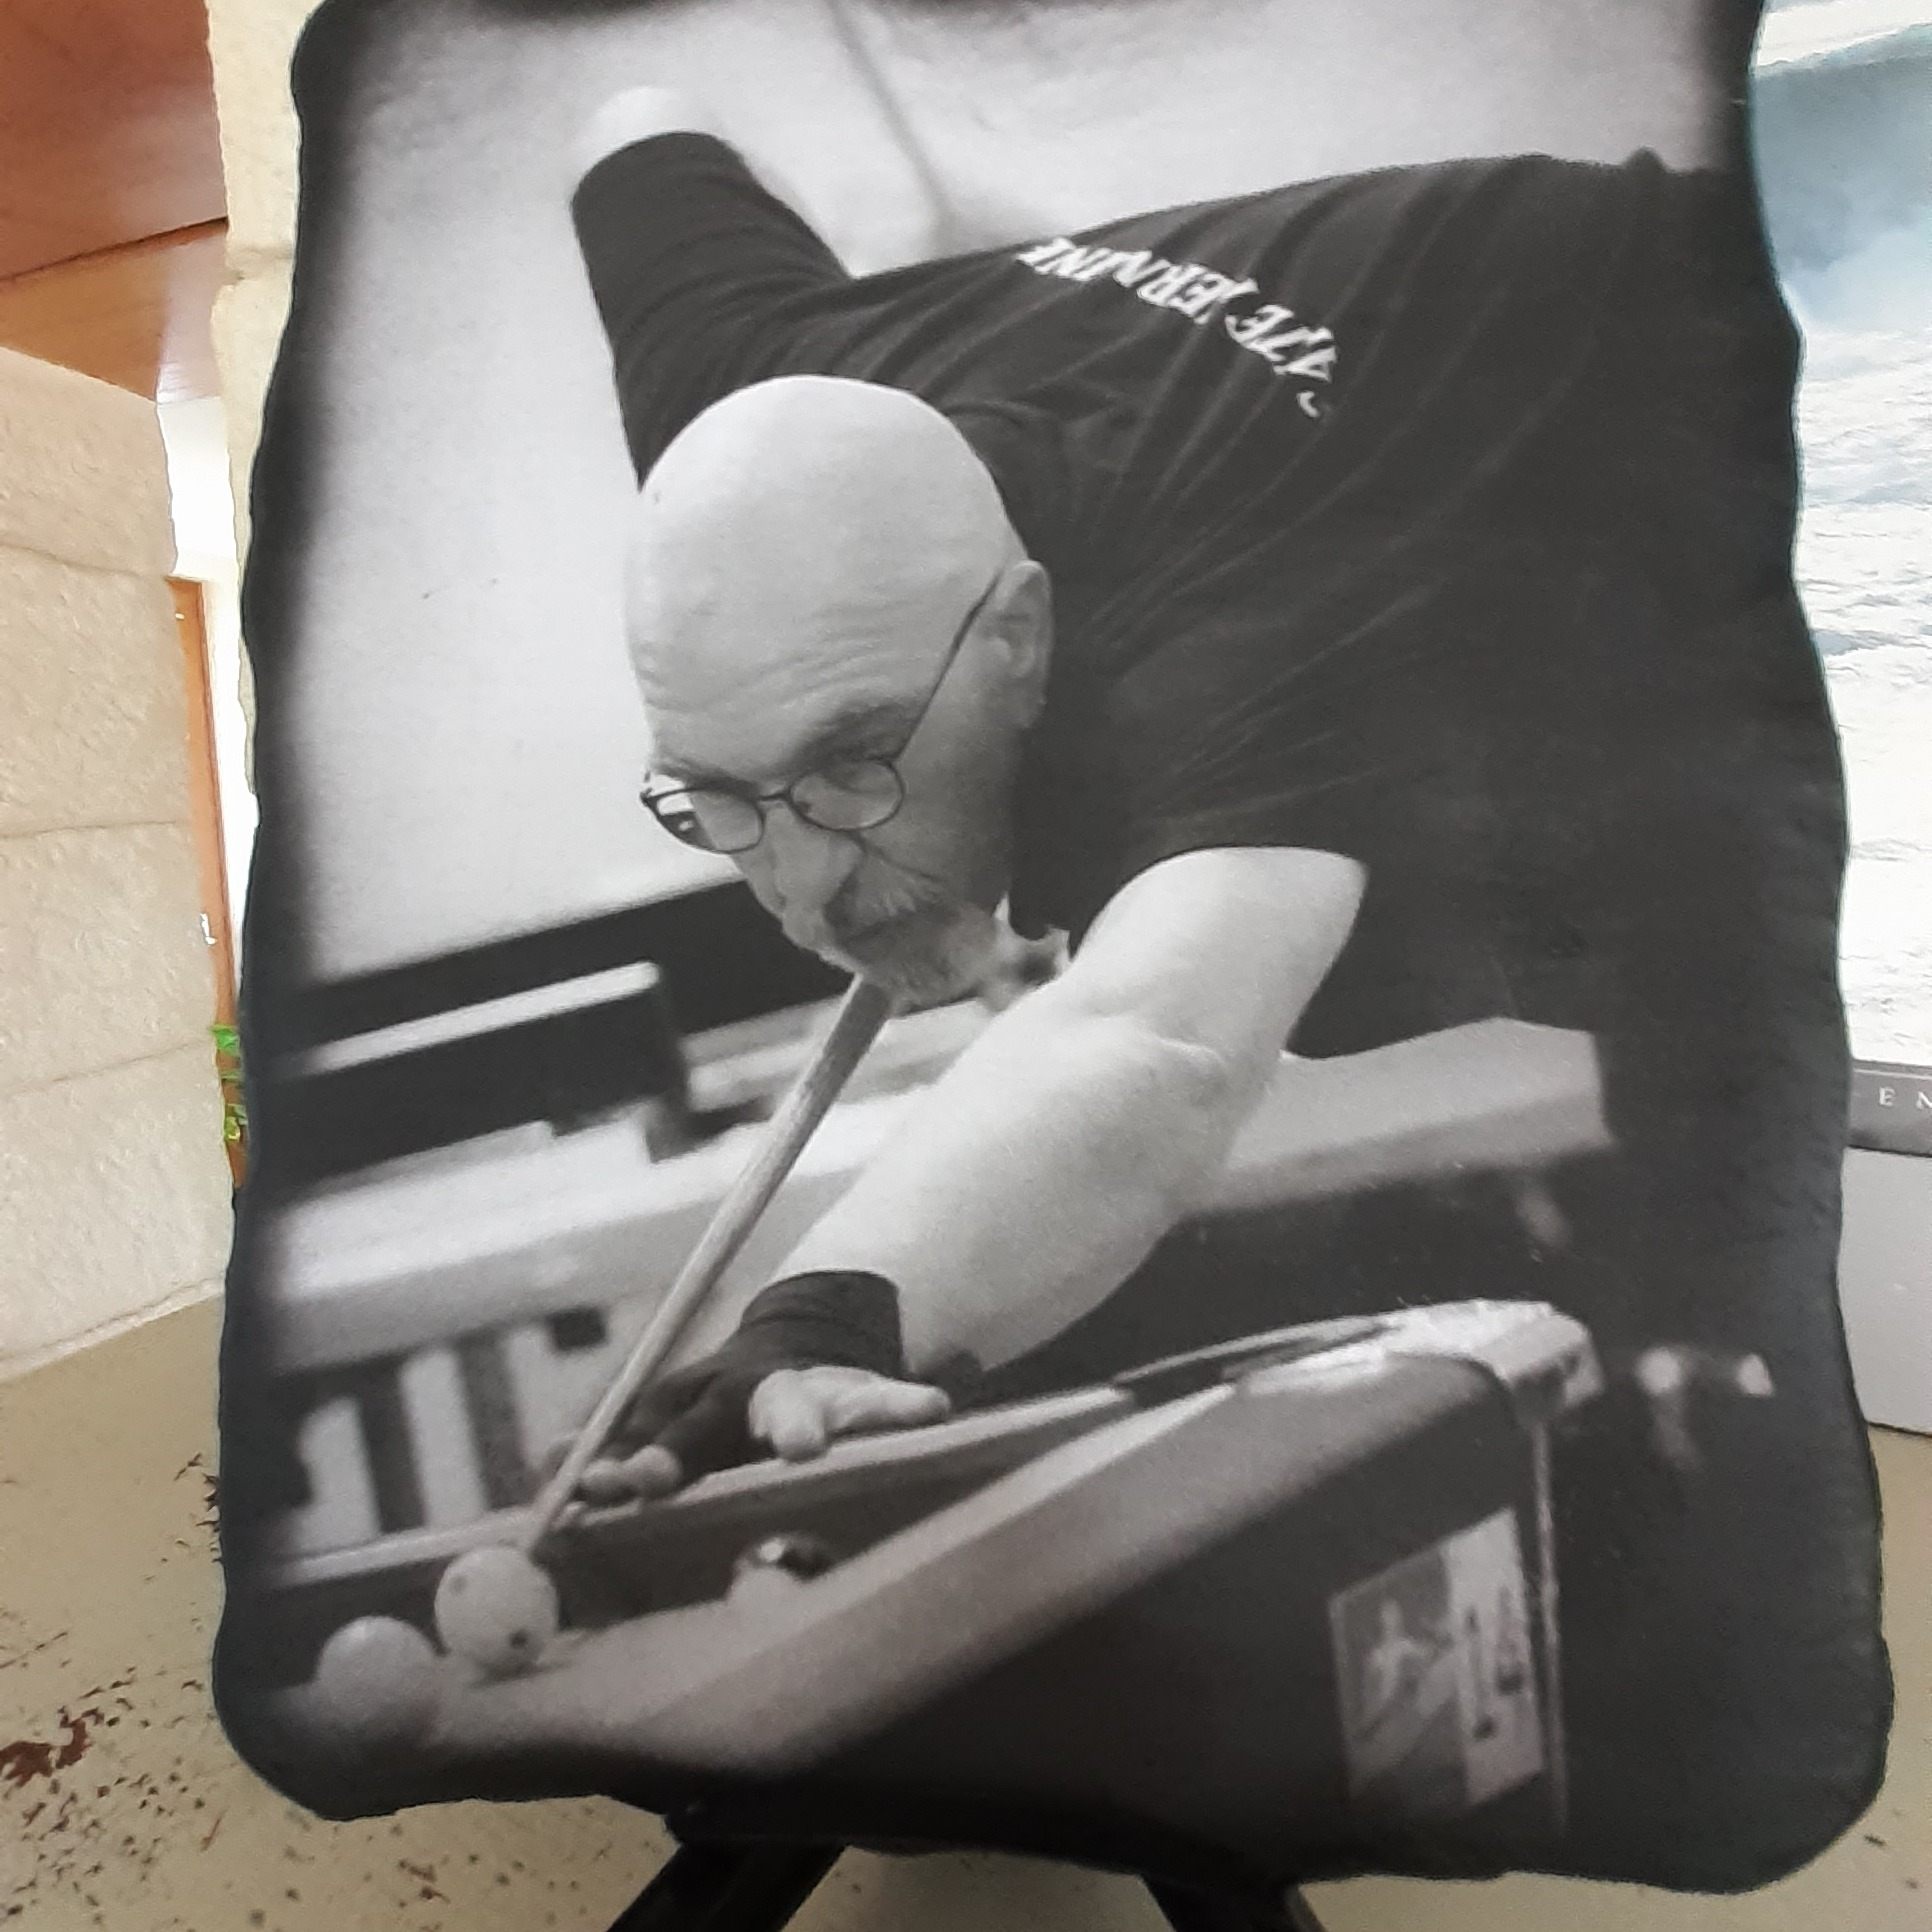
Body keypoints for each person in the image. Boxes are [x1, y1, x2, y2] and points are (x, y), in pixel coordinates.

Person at [562, 86, 1879, 1854]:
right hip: (1496, 449)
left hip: (1758, 412)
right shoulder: (744, 383)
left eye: (850, 764)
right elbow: (634, 124)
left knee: (1726, 1198)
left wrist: (824, 1312)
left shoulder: (1230, 621)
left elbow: (1158, 1040)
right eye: (719, 801)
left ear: (1020, 635)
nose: (795, 885)